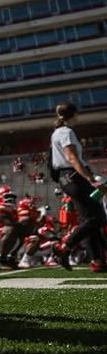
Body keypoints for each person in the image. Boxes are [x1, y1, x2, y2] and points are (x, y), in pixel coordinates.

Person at [49, 101, 107, 271]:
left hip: (65, 178)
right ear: (73, 115)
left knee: (88, 218)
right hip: (74, 176)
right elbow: (72, 158)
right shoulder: (67, 132)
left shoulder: (56, 133)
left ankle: (97, 260)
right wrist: (91, 179)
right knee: (97, 217)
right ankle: (64, 247)